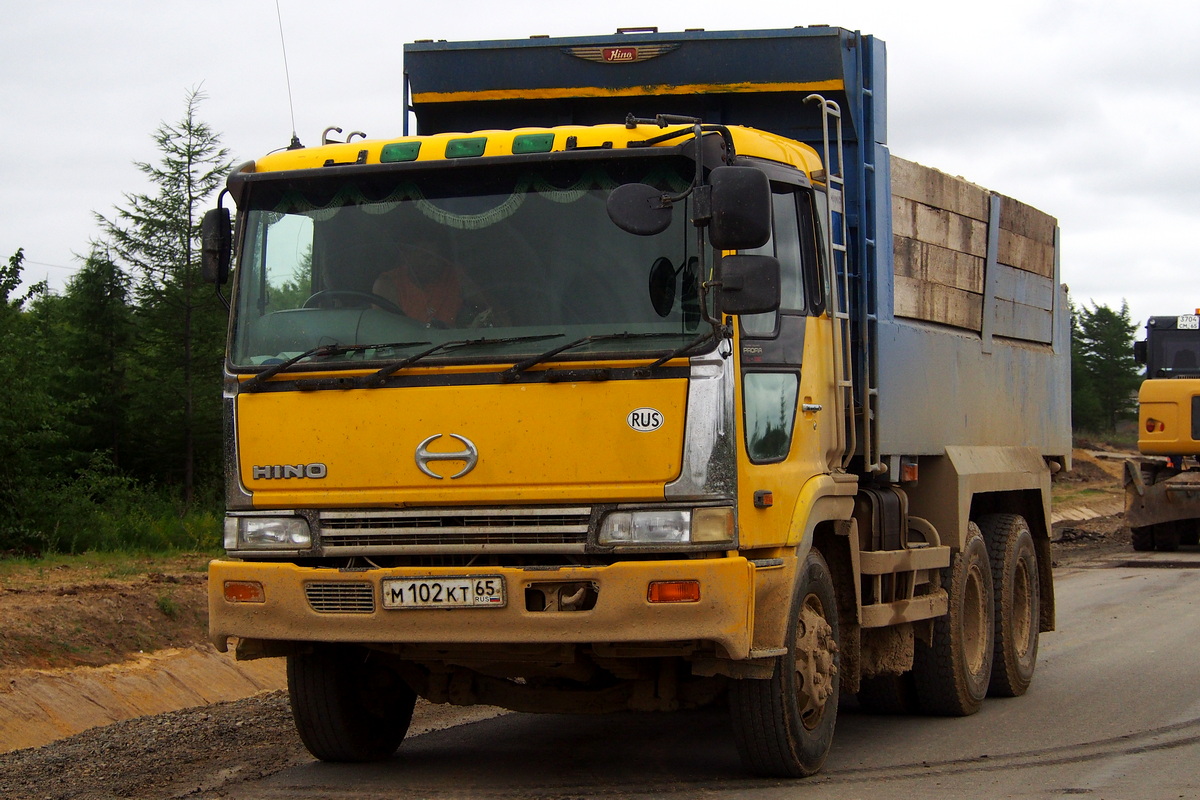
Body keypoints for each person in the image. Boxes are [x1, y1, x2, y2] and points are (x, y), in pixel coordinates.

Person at [372, 239, 493, 328]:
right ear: (407, 256)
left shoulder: (454, 277)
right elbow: (384, 331)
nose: (434, 263)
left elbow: (490, 307)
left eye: (437, 257)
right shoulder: (388, 284)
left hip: (453, 350)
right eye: (426, 257)